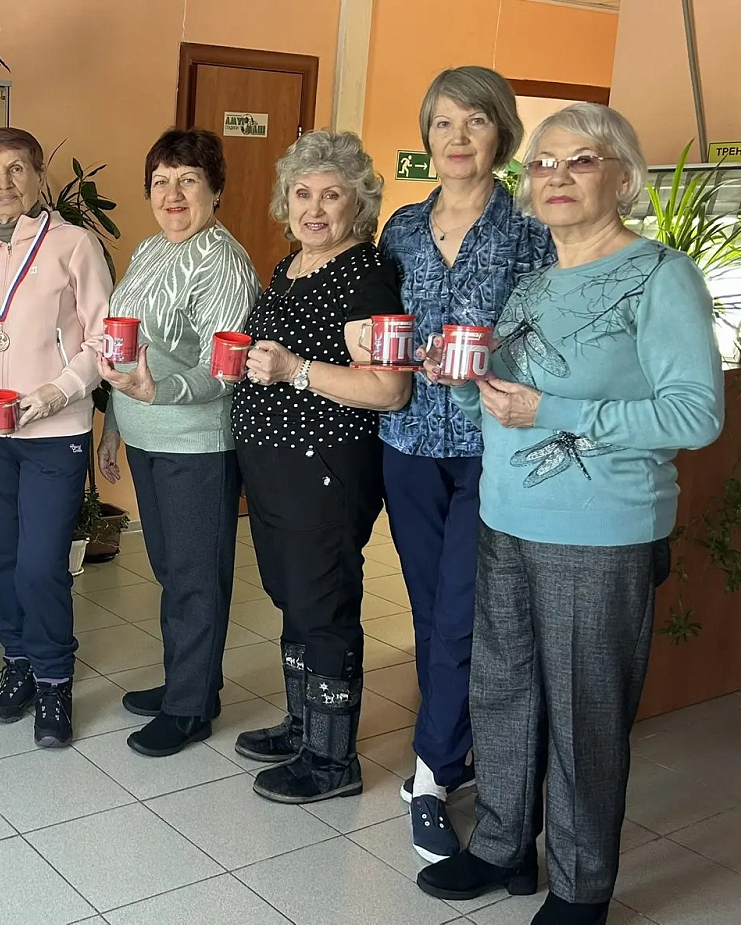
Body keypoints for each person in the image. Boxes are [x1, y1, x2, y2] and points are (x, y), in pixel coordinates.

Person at [417, 104, 723, 925]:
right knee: (502, 688)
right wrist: (459, 375)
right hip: (506, 515)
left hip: (600, 530)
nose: (555, 176)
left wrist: (552, 408)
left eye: (579, 161)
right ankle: (503, 843)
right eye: (542, 164)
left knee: (587, 712)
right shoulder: (535, 281)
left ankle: (583, 885)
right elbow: (514, 393)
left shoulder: (660, 275)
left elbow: (695, 413)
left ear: (621, 175)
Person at [376, 66, 555, 861]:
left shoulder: (529, 229)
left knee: (461, 614)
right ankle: (463, 738)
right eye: (443, 123)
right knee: (429, 612)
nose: (457, 138)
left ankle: (430, 774)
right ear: (427, 136)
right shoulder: (401, 229)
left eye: (474, 122)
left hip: (492, 448)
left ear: (501, 135)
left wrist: (489, 362)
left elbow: (549, 333)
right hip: (408, 444)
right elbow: (380, 327)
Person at [230, 131, 410, 804]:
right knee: (294, 596)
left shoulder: (364, 276)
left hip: (324, 469)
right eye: (303, 193)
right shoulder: (292, 265)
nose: (314, 208)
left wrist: (295, 370)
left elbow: (389, 388)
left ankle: (333, 760)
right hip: (278, 471)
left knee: (325, 602)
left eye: (331, 195)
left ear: (356, 205)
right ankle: (304, 722)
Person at [96, 128, 258, 758]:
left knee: (193, 575)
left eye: (188, 179)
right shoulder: (148, 251)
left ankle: (190, 708)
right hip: (146, 433)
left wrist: (161, 394)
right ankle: (192, 683)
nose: (173, 193)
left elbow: (225, 367)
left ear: (215, 189)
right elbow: (127, 351)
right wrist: (114, 424)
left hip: (196, 441)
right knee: (171, 569)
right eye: (161, 180)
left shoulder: (223, 260)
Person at [0, 127, 112, 747]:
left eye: (17, 170)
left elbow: (107, 342)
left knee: (41, 563)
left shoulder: (73, 244)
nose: (4, 184)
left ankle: (53, 682)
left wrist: (51, 395)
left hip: (55, 430)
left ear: (38, 176)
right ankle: (19, 664)